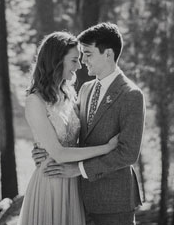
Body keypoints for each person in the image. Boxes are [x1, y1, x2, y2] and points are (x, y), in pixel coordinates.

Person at [34, 22, 146, 225]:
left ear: (108, 54)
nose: (83, 61)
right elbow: (69, 128)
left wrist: (79, 170)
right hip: (79, 198)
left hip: (113, 201)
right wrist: (46, 149)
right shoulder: (85, 89)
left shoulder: (131, 95)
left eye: (88, 54)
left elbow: (128, 153)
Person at [18, 31, 119, 225]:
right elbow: (60, 153)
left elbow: (79, 138)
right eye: (74, 60)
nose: (79, 65)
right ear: (57, 60)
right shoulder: (35, 100)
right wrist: (106, 148)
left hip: (73, 182)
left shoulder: (69, 95)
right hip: (51, 181)